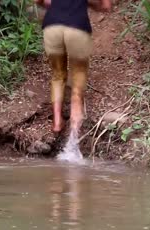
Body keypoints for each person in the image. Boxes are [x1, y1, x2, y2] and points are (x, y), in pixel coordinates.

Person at [35, 0, 112, 134]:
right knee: (79, 73)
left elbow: (40, 1)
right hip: (77, 27)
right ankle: (75, 123)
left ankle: (57, 121)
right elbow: (105, 6)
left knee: (58, 75)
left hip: (52, 27)